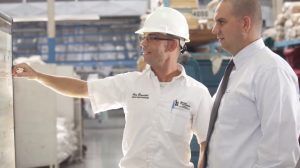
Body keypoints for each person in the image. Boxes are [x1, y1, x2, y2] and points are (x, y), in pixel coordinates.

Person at [13, 7, 212, 168]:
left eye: (151, 37)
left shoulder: (196, 93)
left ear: (171, 45)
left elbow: (206, 144)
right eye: (143, 37)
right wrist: (37, 76)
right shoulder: (130, 83)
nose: (143, 43)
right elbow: (82, 88)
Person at [202, 0, 300, 168]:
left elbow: (280, 157)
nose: (214, 30)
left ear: (245, 24)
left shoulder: (271, 71)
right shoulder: (238, 68)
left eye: (221, 22)